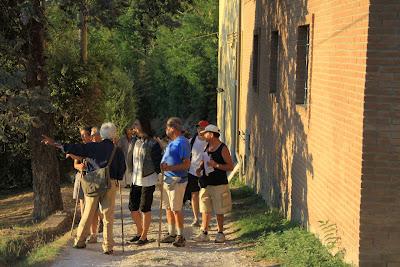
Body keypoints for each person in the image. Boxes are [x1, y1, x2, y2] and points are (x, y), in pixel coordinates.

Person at [41, 122, 126, 254]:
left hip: (93, 182)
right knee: (108, 216)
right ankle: (108, 247)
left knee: (88, 212)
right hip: (111, 183)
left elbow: (74, 148)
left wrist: (55, 143)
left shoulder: (92, 147)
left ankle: (80, 241)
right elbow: (122, 169)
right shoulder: (117, 150)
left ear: (101, 134)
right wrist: (117, 179)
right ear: (113, 134)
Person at [193, 124, 234, 243]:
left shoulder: (223, 148)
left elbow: (230, 166)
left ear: (211, 134)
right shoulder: (207, 147)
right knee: (205, 208)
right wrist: (200, 168)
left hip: (219, 184)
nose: (203, 135)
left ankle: (220, 233)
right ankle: (204, 232)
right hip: (206, 183)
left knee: (219, 209)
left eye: (205, 133)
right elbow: (204, 161)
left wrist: (215, 165)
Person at [126, 118, 162, 246]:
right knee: (132, 208)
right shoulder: (134, 141)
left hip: (148, 179)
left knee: (145, 208)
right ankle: (139, 232)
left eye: (136, 124)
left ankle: (144, 236)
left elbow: (158, 161)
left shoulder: (153, 143)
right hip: (135, 179)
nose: (133, 127)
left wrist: (160, 174)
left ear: (143, 126)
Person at [160, 117, 191, 247]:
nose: (166, 130)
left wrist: (170, 168)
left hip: (177, 180)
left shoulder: (182, 143)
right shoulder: (172, 142)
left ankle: (180, 236)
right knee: (168, 208)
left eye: (167, 128)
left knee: (176, 208)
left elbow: (186, 164)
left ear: (173, 128)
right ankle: (171, 233)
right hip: (167, 178)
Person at [185, 120, 209, 227]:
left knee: (205, 196)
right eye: (199, 128)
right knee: (194, 195)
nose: (200, 130)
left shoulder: (210, 141)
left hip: (206, 172)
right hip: (192, 171)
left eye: (203, 128)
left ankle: (205, 220)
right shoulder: (191, 141)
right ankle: (196, 218)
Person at [72, 126, 92, 216]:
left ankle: (98, 222)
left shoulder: (95, 146)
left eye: (84, 135)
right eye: (81, 135)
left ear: (90, 135)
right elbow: (75, 165)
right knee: (82, 201)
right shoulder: (80, 147)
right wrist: (80, 166)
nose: (82, 137)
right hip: (81, 177)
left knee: (93, 203)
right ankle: (83, 224)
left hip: (93, 178)